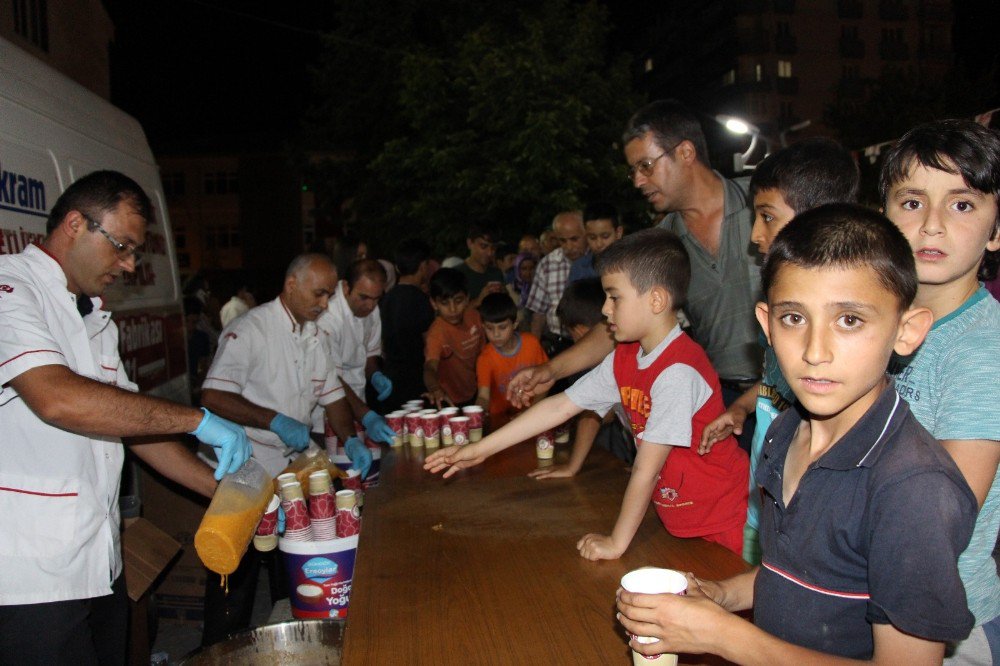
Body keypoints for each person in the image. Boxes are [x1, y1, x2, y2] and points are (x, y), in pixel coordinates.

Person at [617, 204, 977, 662]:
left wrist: (724, 636)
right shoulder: (784, 434)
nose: (815, 351)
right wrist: (722, 596)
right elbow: (799, 574)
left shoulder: (913, 489)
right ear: (766, 325)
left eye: (849, 320)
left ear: (906, 332)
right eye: (794, 318)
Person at [0, 170, 250, 664]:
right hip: (28, 576)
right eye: (122, 246)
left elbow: (133, 426)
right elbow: (56, 397)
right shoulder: (10, 288)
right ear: (75, 224)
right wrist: (196, 419)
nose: (131, 264)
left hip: (96, 561)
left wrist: (233, 499)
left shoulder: (94, 316)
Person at [427, 229, 749, 558]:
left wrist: (616, 542)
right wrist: (481, 449)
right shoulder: (626, 357)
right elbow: (560, 407)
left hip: (719, 515)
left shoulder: (677, 371)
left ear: (656, 300)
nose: (605, 310)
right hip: (676, 510)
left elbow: (646, 469)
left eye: (614, 297)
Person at [508, 100, 762, 446]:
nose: (638, 181)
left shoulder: (763, 203)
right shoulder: (664, 243)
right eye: (633, 171)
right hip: (721, 405)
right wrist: (552, 370)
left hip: (794, 398)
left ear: (686, 152)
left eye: (646, 165)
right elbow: (619, 323)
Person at [699, 136, 860, 564]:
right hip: (765, 498)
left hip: (803, 516)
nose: (755, 236)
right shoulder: (783, 301)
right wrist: (742, 408)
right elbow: (774, 381)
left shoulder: (844, 326)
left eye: (768, 217)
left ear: (817, 219)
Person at [199, 253, 370, 645]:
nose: (326, 304)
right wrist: (273, 419)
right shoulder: (251, 329)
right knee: (235, 571)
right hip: (246, 464)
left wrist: (351, 438)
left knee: (288, 561)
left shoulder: (315, 335)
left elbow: (332, 398)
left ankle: (286, 640)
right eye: (319, 293)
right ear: (291, 284)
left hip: (291, 466)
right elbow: (213, 395)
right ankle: (220, 648)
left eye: (330, 296)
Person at [879, 119, 1000, 665]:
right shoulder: (871, 326)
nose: (930, 225)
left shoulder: (984, 351)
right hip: (865, 591)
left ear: (997, 229)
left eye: (962, 205)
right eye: (910, 202)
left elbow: (942, 516)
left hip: (947, 622)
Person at [529, 278, 636, 478]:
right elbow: (591, 412)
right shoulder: (607, 364)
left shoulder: (635, 356)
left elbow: (600, 414)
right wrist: (572, 466)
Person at [316, 258, 395, 429]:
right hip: (327, 409)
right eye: (363, 297)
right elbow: (332, 378)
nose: (370, 305)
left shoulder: (373, 308)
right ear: (346, 287)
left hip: (358, 401)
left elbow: (370, 354)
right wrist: (366, 415)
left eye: (376, 298)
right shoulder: (328, 317)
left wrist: (375, 375)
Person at [474, 292, 548, 426]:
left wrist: (531, 411)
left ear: (514, 324)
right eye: (490, 328)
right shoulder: (485, 358)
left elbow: (546, 382)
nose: (496, 334)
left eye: (502, 327)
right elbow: (483, 396)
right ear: (483, 327)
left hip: (531, 415)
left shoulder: (531, 343)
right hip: (499, 420)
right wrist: (475, 414)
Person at [379, 238, 436, 412]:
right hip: (416, 378)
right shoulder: (420, 300)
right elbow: (430, 342)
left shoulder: (386, 298)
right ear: (423, 266)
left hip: (389, 378)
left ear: (397, 267)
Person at [525, 210, 587, 356]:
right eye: (562, 241)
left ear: (586, 233)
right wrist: (533, 353)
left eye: (574, 239)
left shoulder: (599, 260)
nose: (569, 247)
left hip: (595, 344)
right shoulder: (547, 265)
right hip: (559, 344)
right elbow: (538, 315)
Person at [423, 267, 485, 408]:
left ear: (467, 298)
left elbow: (484, 354)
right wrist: (435, 389)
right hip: (449, 400)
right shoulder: (436, 333)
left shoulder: (474, 316)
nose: (452, 309)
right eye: (444, 303)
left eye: (458, 301)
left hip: (477, 392)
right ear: (434, 304)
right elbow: (429, 367)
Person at [568, 202, 624, 282]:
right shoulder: (579, 268)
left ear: (618, 233)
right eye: (592, 238)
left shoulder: (633, 264)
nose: (599, 244)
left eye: (605, 236)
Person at [454, 224, 505, 308]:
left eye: (493, 248)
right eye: (484, 246)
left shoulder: (496, 273)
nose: (489, 253)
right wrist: (478, 301)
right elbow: (450, 313)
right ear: (470, 243)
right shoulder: (455, 275)